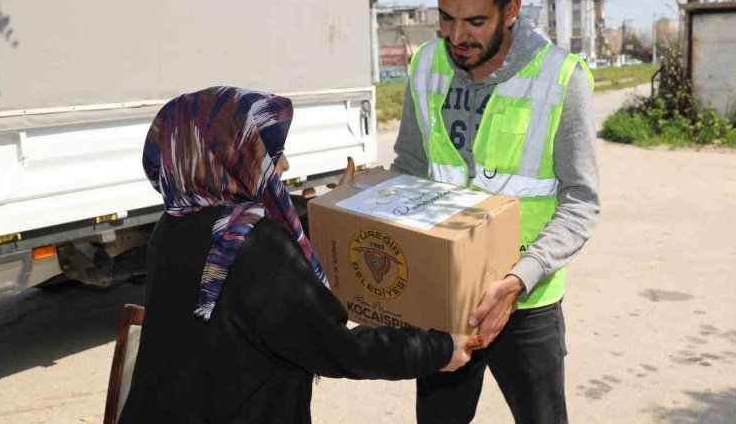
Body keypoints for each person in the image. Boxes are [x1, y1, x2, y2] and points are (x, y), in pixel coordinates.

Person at [119, 86, 477, 424]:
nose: (285, 164)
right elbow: (340, 347)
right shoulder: (254, 245)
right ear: (234, 159)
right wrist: (440, 348)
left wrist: (331, 209)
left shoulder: (173, 226)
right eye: (270, 153)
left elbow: (265, 282)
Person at [392, 0, 601, 424]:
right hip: (444, 295)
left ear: (511, 10)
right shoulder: (425, 66)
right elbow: (408, 167)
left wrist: (517, 281)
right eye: (446, 17)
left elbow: (581, 200)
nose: (457, 36)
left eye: (476, 21)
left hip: (527, 302)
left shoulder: (562, 79)